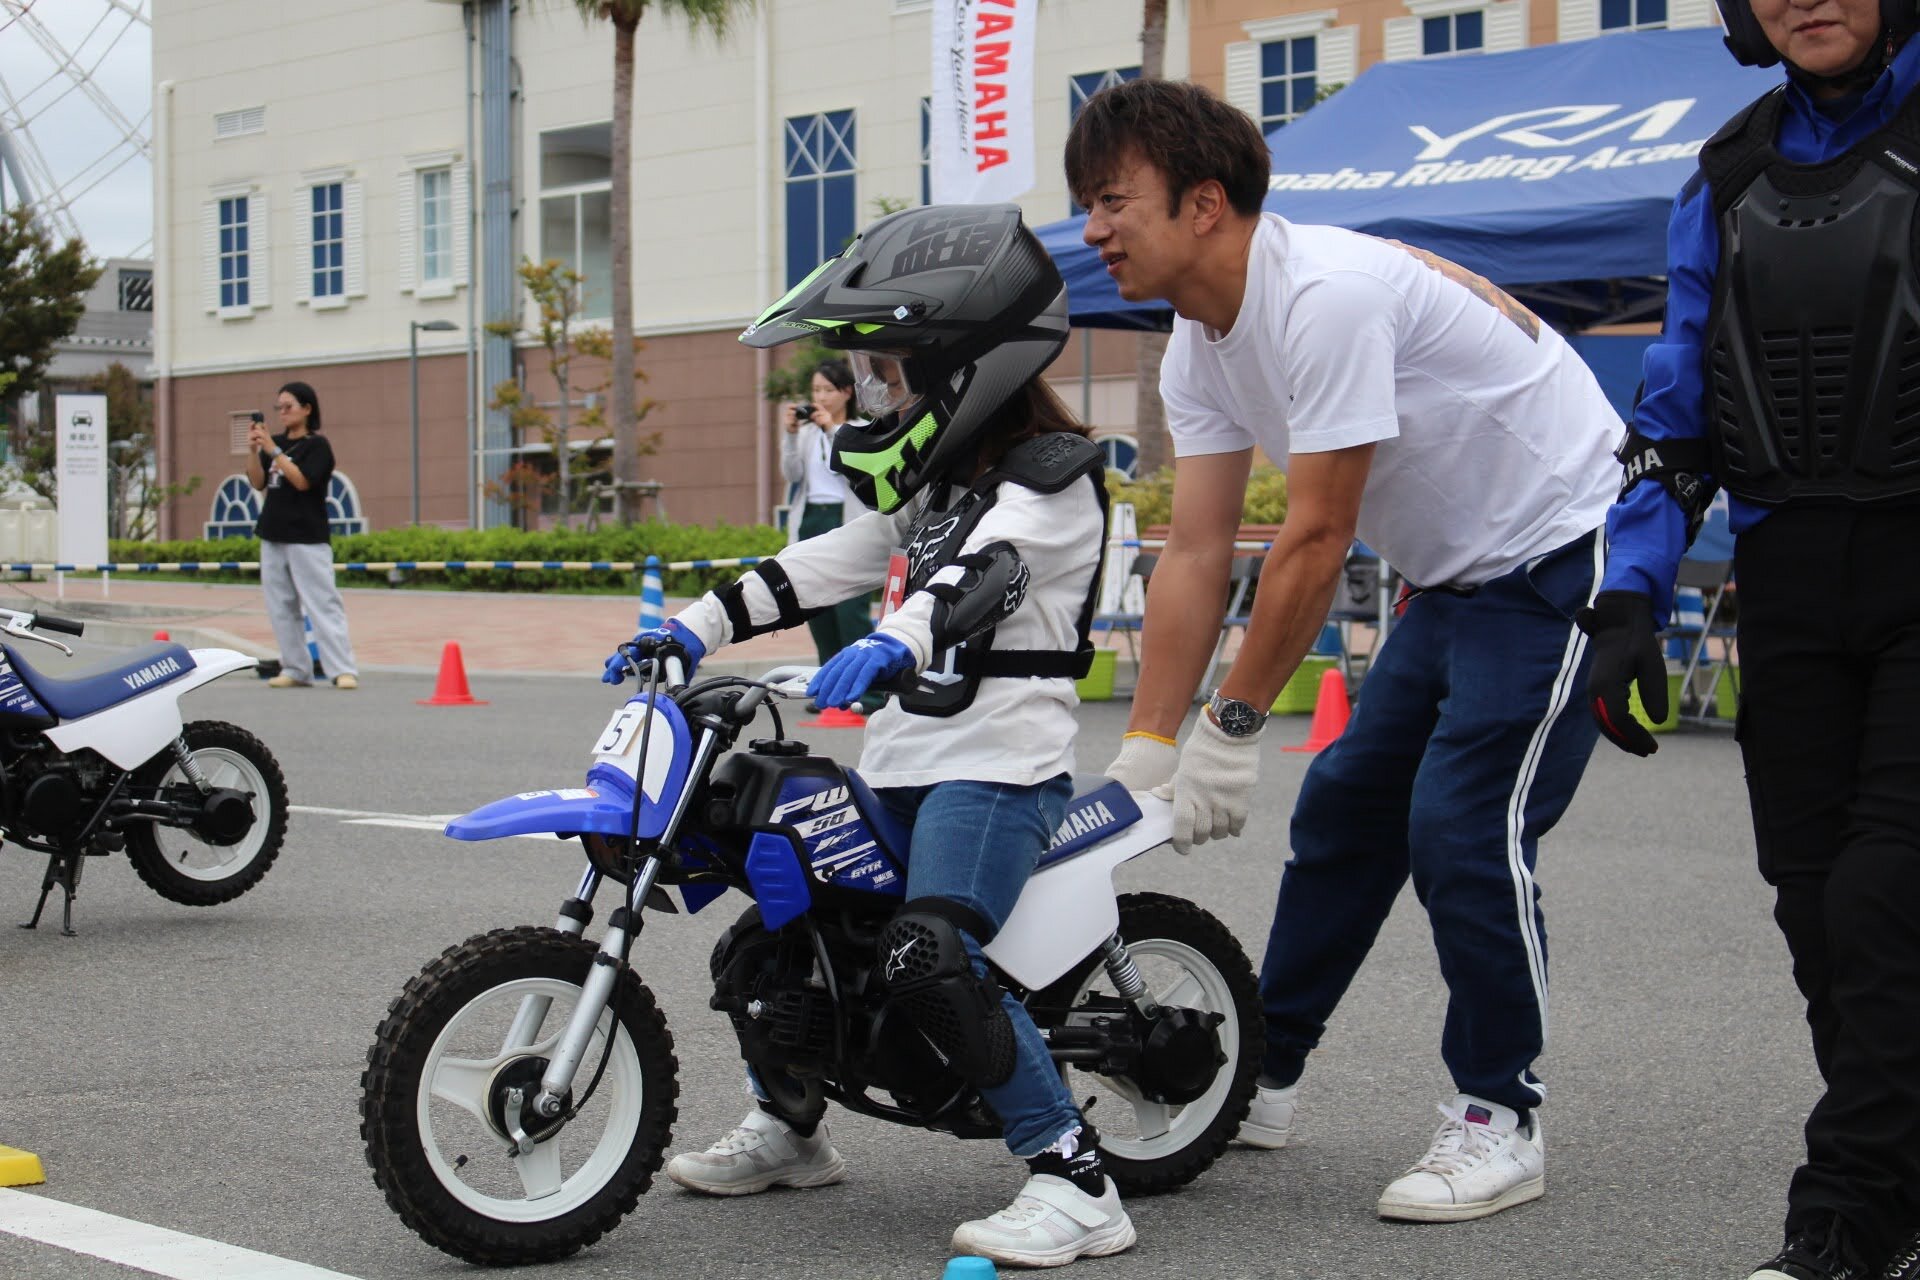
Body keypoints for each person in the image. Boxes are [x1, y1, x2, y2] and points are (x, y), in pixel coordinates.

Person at [1065, 78, 1622, 1223]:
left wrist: (1231, 724)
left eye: (1114, 200)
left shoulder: (1326, 295)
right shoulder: (1200, 337)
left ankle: (1499, 1114)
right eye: (1089, 205)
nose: (1093, 230)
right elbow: (1198, 551)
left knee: (1463, 830)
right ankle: (1263, 1072)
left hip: (1561, 551)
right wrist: (1150, 740)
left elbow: (1315, 538)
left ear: (1205, 204)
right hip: (1451, 575)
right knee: (1344, 813)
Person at [603, 204, 1131, 1268]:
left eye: (897, 371)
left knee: (925, 950)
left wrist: (895, 643)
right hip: (906, 763)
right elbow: (829, 559)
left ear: (963, 366)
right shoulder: (937, 481)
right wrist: (693, 628)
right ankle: (793, 1127)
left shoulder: (1054, 477)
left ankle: (1075, 1175)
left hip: (1000, 771)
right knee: (768, 935)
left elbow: (983, 574)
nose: (883, 391)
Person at [1579, 4, 1920, 1276]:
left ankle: (1842, 1215)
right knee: (1819, 905)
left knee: (1889, 894)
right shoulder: (1726, 176)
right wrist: (1631, 598)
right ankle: (1900, 1175)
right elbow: (1677, 411)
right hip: (1789, 580)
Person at [780, 359, 880, 712]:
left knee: (850, 609)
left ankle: (867, 692)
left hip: (847, 518)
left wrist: (830, 431)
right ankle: (829, 689)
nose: (819, 397)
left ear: (846, 392)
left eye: (826, 390)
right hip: (811, 517)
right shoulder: (805, 433)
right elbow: (791, 474)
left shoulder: (861, 428)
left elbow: (854, 472)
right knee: (816, 606)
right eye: (815, 390)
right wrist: (791, 435)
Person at [245, 381, 359, 690]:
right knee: (280, 605)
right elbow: (257, 482)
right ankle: (295, 667)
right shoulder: (274, 444)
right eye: (278, 407)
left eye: (288, 406)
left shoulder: (317, 446)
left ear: (307, 409)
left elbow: (303, 481)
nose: (282, 413)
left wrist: (273, 449)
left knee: (322, 602)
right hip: (273, 531)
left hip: (307, 535)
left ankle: (342, 669)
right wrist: (255, 450)